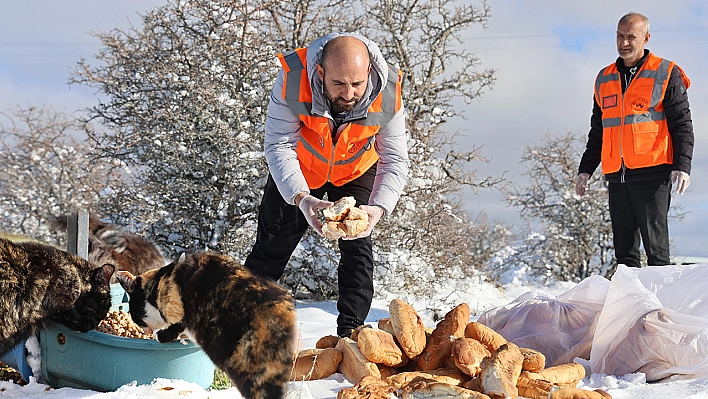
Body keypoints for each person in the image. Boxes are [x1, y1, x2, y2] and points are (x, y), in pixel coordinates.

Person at [244, 32, 409, 337]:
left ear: (369, 72)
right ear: (320, 72)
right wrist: (302, 198)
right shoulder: (292, 79)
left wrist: (378, 210)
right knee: (269, 250)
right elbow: (279, 145)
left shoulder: (388, 92)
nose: (348, 94)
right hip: (301, 169)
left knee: (357, 249)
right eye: (338, 84)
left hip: (354, 171)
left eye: (357, 84)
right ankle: (237, 327)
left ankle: (352, 334)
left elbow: (395, 159)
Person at [576, 12, 694, 267]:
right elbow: (599, 130)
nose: (624, 42)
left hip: (653, 173)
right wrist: (585, 170)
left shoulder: (666, 72)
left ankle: (660, 305)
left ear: (646, 38)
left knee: (656, 251)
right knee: (625, 254)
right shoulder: (604, 78)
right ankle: (631, 305)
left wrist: (682, 166)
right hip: (618, 176)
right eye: (620, 36)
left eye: (631, 37)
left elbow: (682, 124)